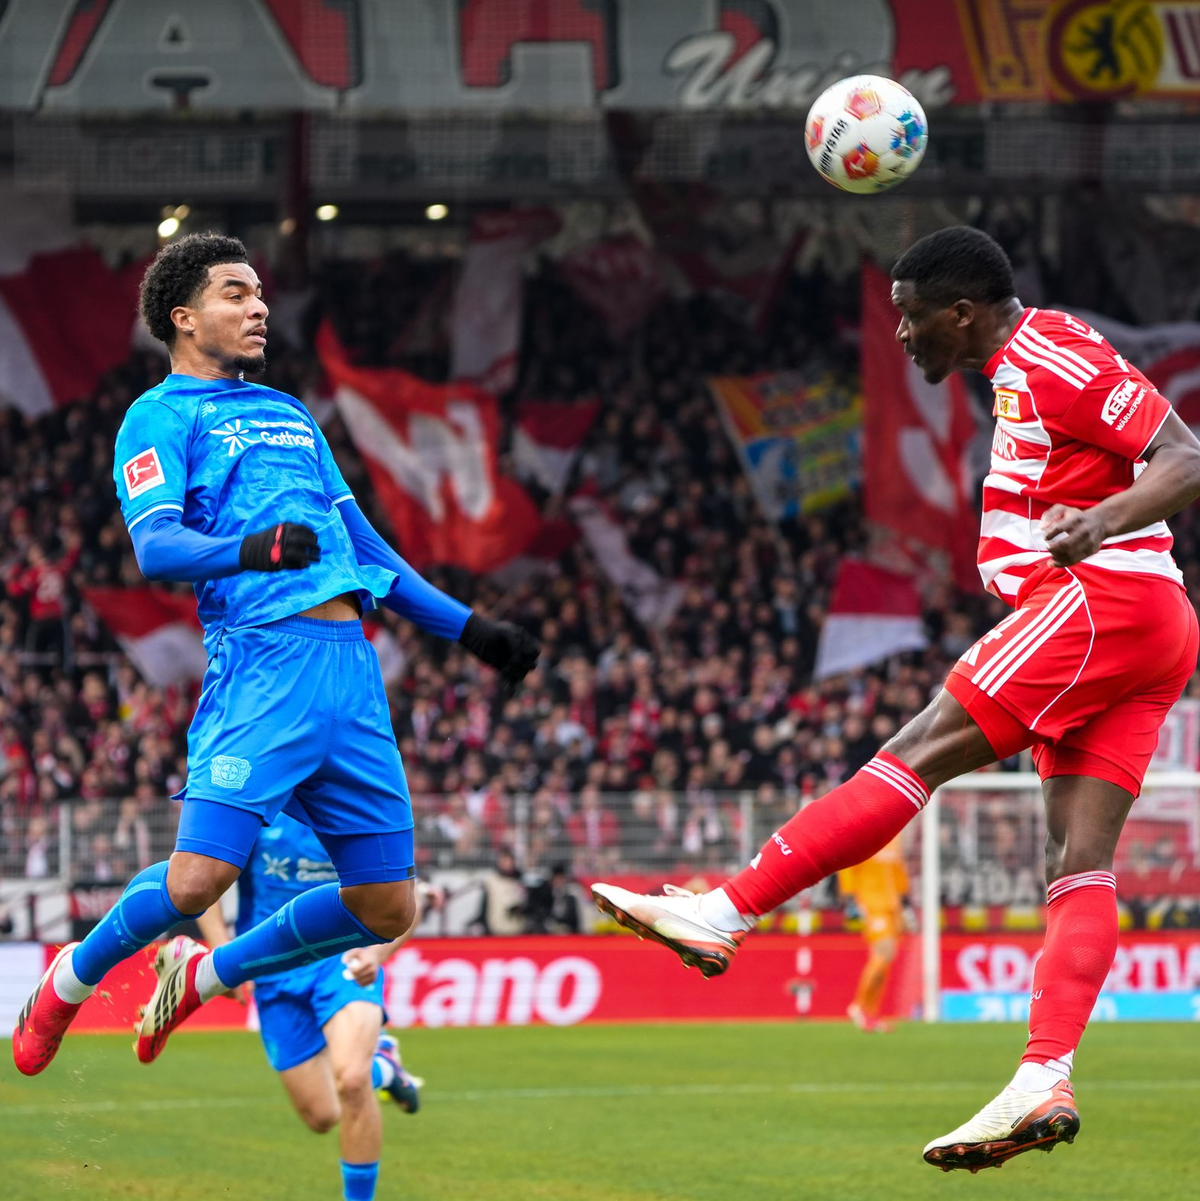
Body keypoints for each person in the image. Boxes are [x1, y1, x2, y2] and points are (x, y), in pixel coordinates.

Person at [592, 226, 1200, 1172]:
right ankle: (1043, 1075)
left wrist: (1101, 521)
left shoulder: (1051, 352)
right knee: (1076, 858)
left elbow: (1187, 455)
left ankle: (728, 911)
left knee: (918, 747)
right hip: (1144, 616)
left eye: (911, 318)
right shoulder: (1018, 373)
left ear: (961, 312)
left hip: (1102, 598)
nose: (905, 335)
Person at [13, 232, 539, 1077]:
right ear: (183, 318)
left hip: (350, 672)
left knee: (384, 904)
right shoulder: (159, 416)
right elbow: (158, 548)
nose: (257, 306)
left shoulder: (292, 416)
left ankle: (205, 972)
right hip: (262, 664)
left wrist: (470, 629)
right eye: (234, 293)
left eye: (259, 292)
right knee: (196, 885)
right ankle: (69, 980)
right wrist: (255, 549)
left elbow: (363, 549)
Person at [195, 809, 429, 1201]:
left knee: (351, 1080)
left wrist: (377, 955)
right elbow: (202, 880)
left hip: (344, 960)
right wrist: (224, 956)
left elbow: (409, 897)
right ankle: (383, 1068)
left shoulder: (359, 802)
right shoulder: (261, 804)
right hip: (273, 970)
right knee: (322, 1116)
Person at [836, 834, 912, 1032]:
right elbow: (848, 868)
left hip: (892, 907)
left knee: (885, 959)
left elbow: (898, 871)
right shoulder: (863, 837)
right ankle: (859, 1007)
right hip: (871, 905)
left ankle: (870, 1013)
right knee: (883, 952)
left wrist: (904, 904)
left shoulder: (894, 840)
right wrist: (851, 900)